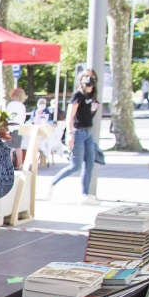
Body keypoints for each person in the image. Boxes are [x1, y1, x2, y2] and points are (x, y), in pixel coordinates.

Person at [50, 69, 102, 203]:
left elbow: (88, 116)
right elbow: (70, 116)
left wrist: (93, 110)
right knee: (75, 165)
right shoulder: (77, 95)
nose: (89, 81)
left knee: (90, 163)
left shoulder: (92, 97)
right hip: (78, 132)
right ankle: (53, 183)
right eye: (86, 77)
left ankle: (85, 194)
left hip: (88, 132)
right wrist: (70, 133)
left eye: (91, 78)